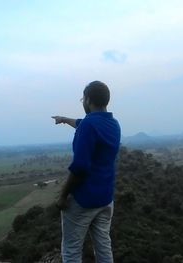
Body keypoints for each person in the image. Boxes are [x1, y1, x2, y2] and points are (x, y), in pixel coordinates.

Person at [52, 80, 121, 263]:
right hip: (105, 199)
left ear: (88, 99)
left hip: (83, 199)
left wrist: (63, 195)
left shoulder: (89, 125)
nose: (82, 101)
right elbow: (83, 124)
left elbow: (80, 166)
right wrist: (65, 119)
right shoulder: (113, 123)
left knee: (72, 250)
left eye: (83, 98)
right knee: (103, 246)